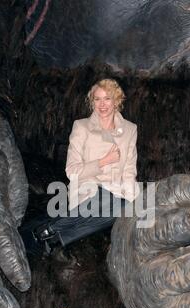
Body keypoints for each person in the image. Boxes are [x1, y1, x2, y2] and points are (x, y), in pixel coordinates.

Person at [20, 78, 139, 255]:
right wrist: (103, 161)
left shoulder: (130, 129)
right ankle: (54, 227)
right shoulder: (81, 127)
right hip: (87, 188)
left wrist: (134, 200)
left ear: (117, 101)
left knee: (124, 208)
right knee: (105, 197)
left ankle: (54, 235)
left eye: (107, 99)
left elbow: (129, 171)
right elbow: (72, 170)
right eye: (97, 99)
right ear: (92, 102)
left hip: (117, 192)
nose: (102, 104)